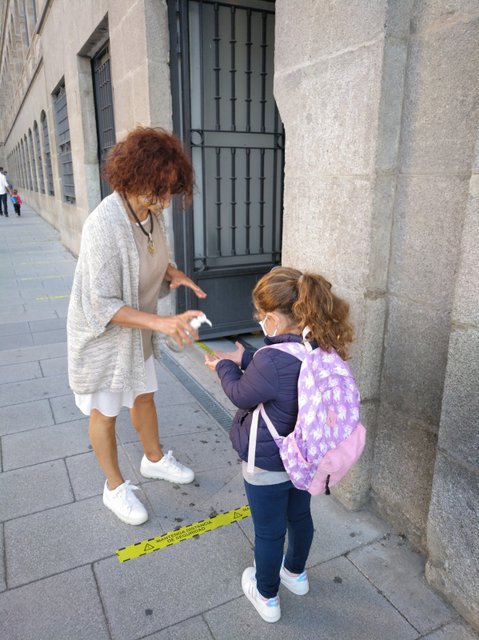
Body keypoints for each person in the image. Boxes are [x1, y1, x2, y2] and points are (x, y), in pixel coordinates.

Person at [67, 127, 207, 526]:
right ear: (133, 176)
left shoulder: (151, 214)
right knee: (105, 412)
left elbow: (154, 258)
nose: (163, 200)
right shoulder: (104, 224)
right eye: (157, 189)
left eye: (169, 190)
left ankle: (154, 459)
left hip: (137, 333)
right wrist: (162, 322)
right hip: (103, 340)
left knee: (145, 396)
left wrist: (173, 274)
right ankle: (113, 487)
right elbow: (102, 304)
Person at [205, 267, 354, 623]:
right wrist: (246, 358)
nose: (259, 322)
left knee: (269, 532)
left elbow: (241, 393)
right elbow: (280, 370)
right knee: (299, 517)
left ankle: (267, 595)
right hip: (305, 461)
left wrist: (224, 366)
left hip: (268, 464)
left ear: (271, 318)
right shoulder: (318, 346)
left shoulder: (270, 360)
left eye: (261, 316)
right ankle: (295, 574)